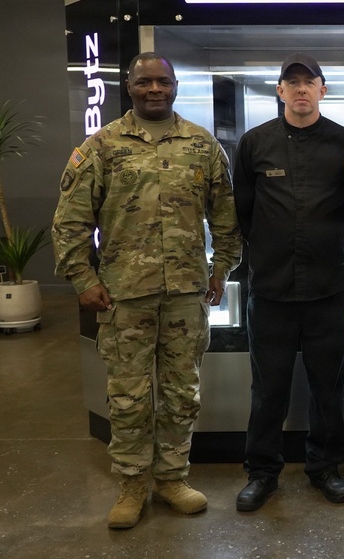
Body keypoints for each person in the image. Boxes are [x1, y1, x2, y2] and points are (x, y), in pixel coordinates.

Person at [51, 52, 242, 529]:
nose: (154, 89)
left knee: (181, 392)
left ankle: (173, 477)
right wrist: (83, 279)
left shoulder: (202, 146)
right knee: (130, 395)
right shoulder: (102, 145)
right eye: (144, 82)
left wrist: (222, 269)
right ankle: (133, 484)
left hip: (186, 293)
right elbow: (70, 222)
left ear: (175, 85)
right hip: (124, 296)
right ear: (130, 87)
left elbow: (225, 217)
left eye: (163, 82)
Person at [231, 53, 344, 512]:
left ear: (323, 90)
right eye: (293, 82)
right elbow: (243, 211)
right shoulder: (254, 143)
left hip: (328, 287)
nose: (302, 89)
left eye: (311, 82)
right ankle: (262, 472)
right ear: (280, 90)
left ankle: (325, 468)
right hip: (270, 290)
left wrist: (335, 245)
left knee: (329, 387)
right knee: (269, 389)